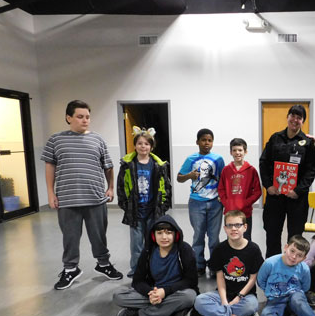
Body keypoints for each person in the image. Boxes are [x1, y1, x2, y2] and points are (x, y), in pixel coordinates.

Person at [41, 100, 123, 290]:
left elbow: (108, 166)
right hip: (67, 199)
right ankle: (70, 269)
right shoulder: (56, 140)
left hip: (95, 197)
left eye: (87, 117)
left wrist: (110, 188)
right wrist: (50, 193)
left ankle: (103, 264)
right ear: (68, 118)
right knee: (70, 237)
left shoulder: (98, 140)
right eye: (80, 116)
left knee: (99, 235)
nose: (85, 120)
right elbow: (49, 167)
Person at [113, 215, 199, 316]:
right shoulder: (148, 251)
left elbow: (191, 281)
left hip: (177, 292)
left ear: (175, 235)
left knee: (190, 297)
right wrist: (150, 293)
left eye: (168, 233)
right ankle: (171, 310)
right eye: (159, 233)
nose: (164, 237)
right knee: (118, 296)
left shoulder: (184, 249)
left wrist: (165, 292)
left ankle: (137, 315)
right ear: (153, 236)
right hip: (154, 292)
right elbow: (137, 281)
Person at [194, 210, 265, 316]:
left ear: (245, 227)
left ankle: (214, 313)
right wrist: (224, 301)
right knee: (199, 301)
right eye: (229, 225)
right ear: (225, 228)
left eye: (237, 225)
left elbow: (252, 279)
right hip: (223, 293)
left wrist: (239, 297)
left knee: (251, 306)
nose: (234, 229)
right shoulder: (220, 249)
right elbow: (220, 278)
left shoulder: (253, 249)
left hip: (245, 296)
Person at [259, 105, 315, 257]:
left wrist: (298, 190)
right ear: (287, 117)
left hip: (297, 198)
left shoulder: (308, 143)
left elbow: (311, 170)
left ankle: (293, 265)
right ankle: (273, 264)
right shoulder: (275, 138)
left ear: (303, 121)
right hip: (275, 195)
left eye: (299, 117)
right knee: (272, 232)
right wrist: (268, 186)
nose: (295, 120)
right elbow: (264, 162)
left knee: (295, 236)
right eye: (293, 116)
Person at [117, 126, 172, 278]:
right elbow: (121, 186)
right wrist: (125, 205)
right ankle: (136, 269)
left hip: (153, 210)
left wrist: (163, 206)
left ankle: (153, 268)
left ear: (151, 147)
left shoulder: (158, 165)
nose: (143, 146)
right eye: (140, 143)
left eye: (146, 144)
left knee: (153, 241)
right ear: (135, 145)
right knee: (136, 244)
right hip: (135, 210)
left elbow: (166, 186)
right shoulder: (128, 164)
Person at [177, 128, 225, 276]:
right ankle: (198, 265)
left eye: (209, 140)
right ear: (197, 141)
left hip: (215, 203)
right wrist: (189, 175)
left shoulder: (218, 159)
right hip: (196, 203)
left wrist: (223, 197)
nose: (206, 143)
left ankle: (214, 265)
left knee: (214, 237)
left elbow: (223, 179)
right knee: (198, 235)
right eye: (203, 140)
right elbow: (179, 177)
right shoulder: (191, 159)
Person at [218, 138, 262, 241]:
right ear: (230, 152)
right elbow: (221, 189)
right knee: (231, 238)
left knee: (246, 239)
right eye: (234, 150)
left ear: (245, 152)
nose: (237, 153)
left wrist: (245, 203)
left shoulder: (251, 170)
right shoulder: (226, 170)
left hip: (245, 213)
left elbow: (257, 192)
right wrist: (227, 203)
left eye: (240, 150)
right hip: (230, 212)